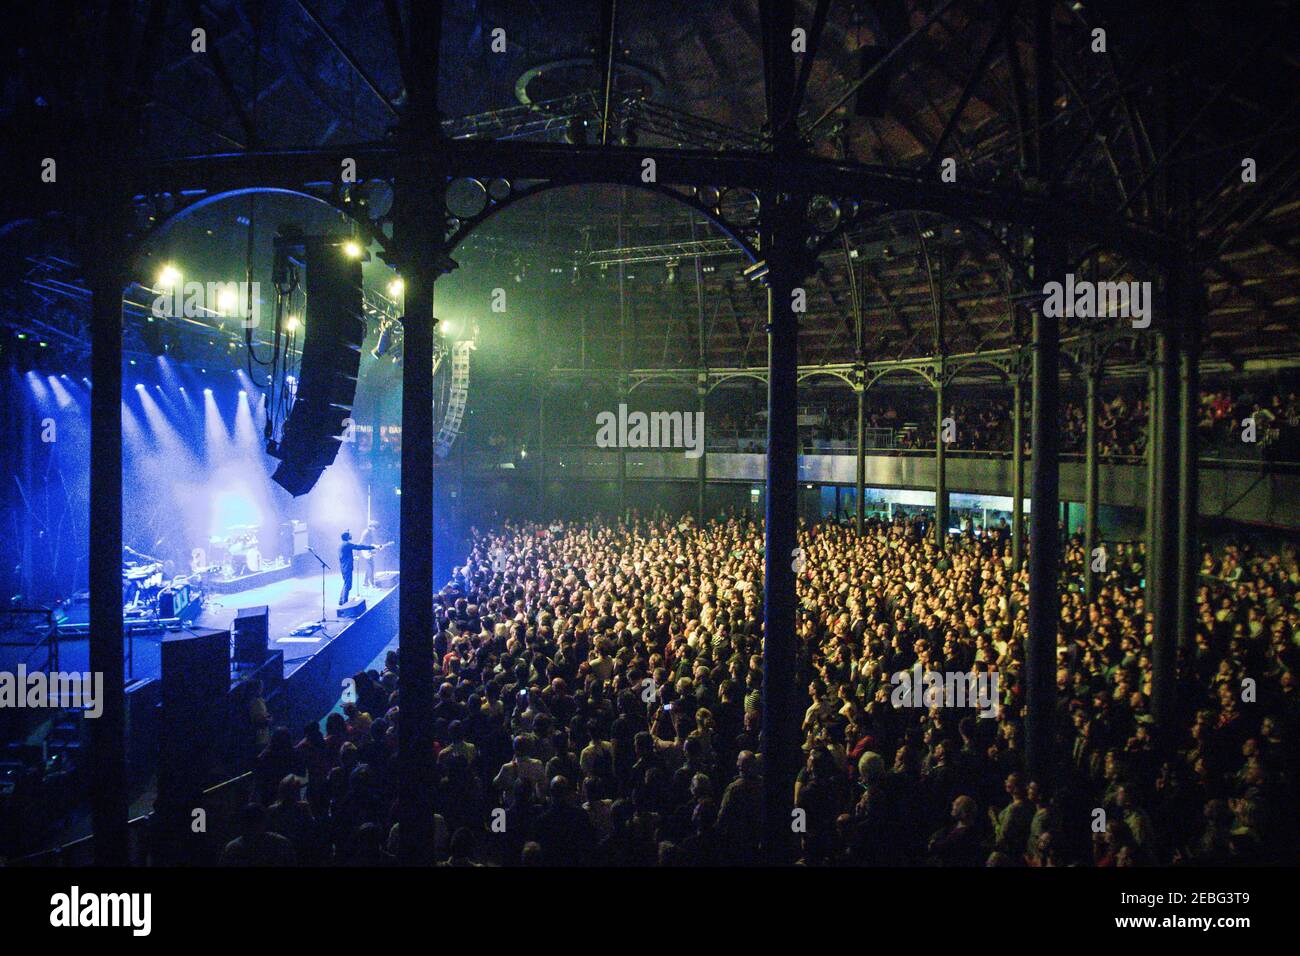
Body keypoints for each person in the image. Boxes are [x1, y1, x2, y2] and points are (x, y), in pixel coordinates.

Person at [337, 530, 376, 606]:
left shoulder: (342, 545)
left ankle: (341, 601)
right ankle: (344, 602)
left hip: (344, 567)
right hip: (347, 567)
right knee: (348, 585)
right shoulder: (347, 544)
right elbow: (358, 547)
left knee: (346, 584)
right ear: (347, 537)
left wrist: (352, 558)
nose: (351, 536)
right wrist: (373, 547)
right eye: (350, 535)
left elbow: (343, 556)